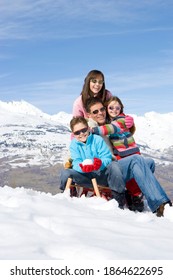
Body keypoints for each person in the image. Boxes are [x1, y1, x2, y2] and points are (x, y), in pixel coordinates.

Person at [85, 97, 172, 217]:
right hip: (108, 170)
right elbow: (79, 142)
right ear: (89, 114)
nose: (100, 113)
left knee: (149, 162)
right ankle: (159, 204)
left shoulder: (107, 123)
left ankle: (134, 195)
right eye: (95, 111)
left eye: (102, 109)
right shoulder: (90, 128)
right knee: (137, 160)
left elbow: (118, 130)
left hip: (116, 165)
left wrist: (129, 123)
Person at [60, 116, 127, 209]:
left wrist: (99, 164)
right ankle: (69, 196)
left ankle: (119, 198)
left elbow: (107, 157)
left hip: (101, 175)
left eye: (83, 130)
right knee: (66, 172)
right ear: (73, 134)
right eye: (77, 132)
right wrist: (82, 167)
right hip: (85, 176)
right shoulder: (74, 145)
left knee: (114, 166)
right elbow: (76, 162)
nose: (81, 134)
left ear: (88, 128)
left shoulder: (97, 139)